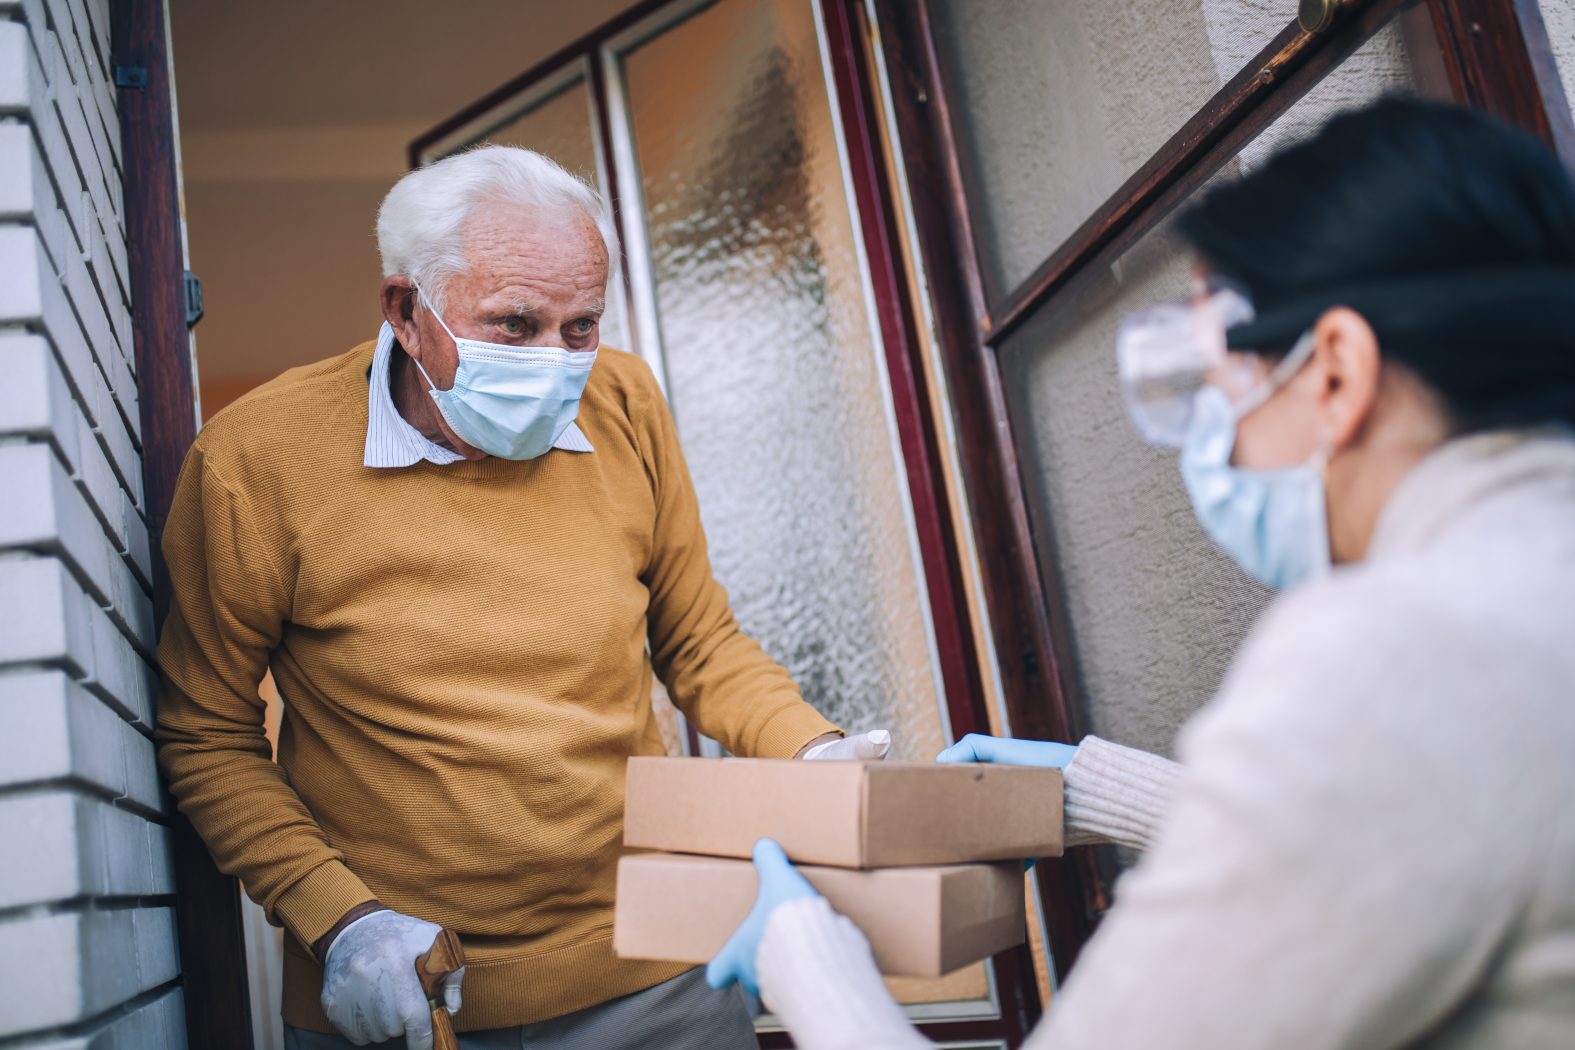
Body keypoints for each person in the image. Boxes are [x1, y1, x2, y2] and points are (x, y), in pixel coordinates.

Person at [706, 96, 1575, 1048]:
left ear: (1334, 373)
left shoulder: (1399, 647)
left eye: (1219, 390)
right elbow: (1433, 828)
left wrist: (805, 961)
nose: (1215, 442)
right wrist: (1102, 790)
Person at [154, 145, 889, 1050]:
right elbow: (204, 731)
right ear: (406, 311)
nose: (556, 360)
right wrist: (339, 921)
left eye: (580, 327)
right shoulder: (254, 462)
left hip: (660, 968)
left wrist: (812, 752)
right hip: (409, 990)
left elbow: (696, 642)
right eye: (514, 323)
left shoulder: (624, 402)